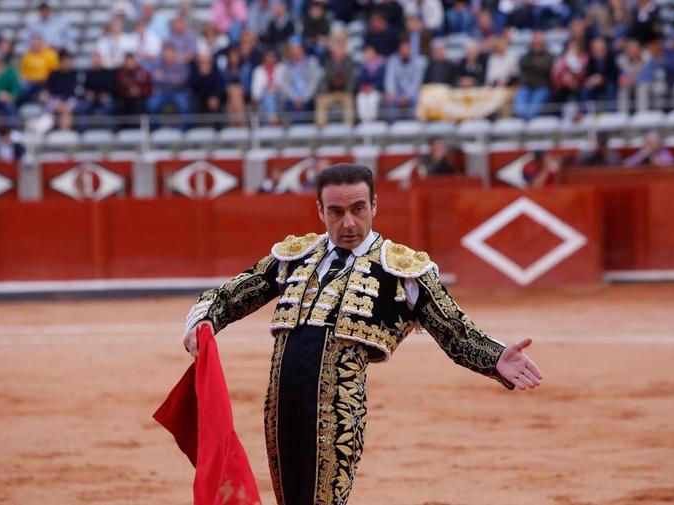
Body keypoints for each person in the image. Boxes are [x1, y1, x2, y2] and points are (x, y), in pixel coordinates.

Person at [182, 163, 542, 505]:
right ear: (321, 212)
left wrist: (495, 357)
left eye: (358, 208)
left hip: (337, 407)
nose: (349, 222)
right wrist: (205, 318)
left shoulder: (401, 268)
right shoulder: (297, 256)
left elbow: (454, 329)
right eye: (336, 212)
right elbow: (236, 293)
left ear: (373, 206)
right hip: (280, 400)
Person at [280, 36, 323, 123]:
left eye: (297, 48)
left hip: (308, 99)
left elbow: (314, 83)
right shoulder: (287, 65)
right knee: (288, 107)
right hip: (292, 100)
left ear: (302, 48)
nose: (294, 51)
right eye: (292, 48)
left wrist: (303, 98)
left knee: (306, 108)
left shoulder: (312, 62)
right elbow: (285, 84)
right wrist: (295, 98)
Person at [315, 36, 355, 126]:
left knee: (349, 100)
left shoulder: (349, 63)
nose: (338, 53)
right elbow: (324, 80)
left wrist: (349, 91)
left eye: (340, 51)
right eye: (336, 51)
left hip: (344, 93)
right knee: (320, 100)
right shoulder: (328, 63)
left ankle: (348, 128)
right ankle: (321, 128)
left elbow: (351, 79)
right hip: (330, 93)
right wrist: (323, 92)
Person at [384, 37, 426, 120]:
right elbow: (390, 78)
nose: (405, 51)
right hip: (396, 93)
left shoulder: (418, 62)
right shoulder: (393, 60)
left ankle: (411, 125)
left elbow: (416, 82)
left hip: (412, 93)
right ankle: (392, 126)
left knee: (416, 100)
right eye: (403, 49)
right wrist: (392, 92)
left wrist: (407, 97)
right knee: (390, 99)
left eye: (407, 48)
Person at [513, 32, 553, 120]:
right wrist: (537, 65)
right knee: (519, 107)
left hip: (542, 87)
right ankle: (521, 122)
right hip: (527, 86)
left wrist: (533, 66)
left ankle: (528, 124)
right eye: (535, 43)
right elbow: (522, 64)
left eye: (539, 43)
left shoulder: (549, 56)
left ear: (543, 44)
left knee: (533, 109)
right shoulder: (526, 56)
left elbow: (546, 68)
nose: (537, 45)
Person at [40, 50, 77, 130]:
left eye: (69, 61)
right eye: (66, 61)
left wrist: (63, 105)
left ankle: (64, 135)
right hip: (55, 100)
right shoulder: (53, 74)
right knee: (50, 106)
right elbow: (47, 89)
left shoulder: (74, 74)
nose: (68, 63)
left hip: (69, 100)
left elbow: (74, 92)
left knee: (67, 110)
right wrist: (45, 94)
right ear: (61, 61)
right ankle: (45, 133)